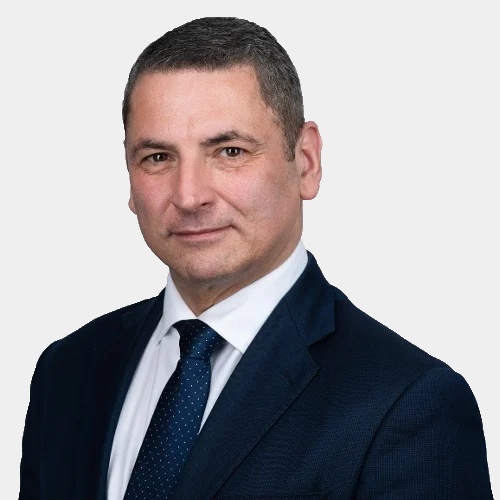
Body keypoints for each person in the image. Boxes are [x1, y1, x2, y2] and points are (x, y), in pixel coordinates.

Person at [19, 16, 493, 500]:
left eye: (229, 151)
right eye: (158, 157)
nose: (189, 196)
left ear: (306, 161)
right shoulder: (66, 372)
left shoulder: (408, 405)